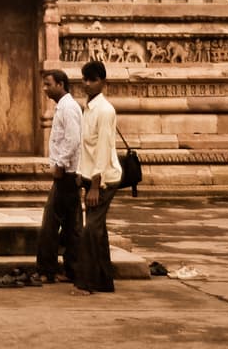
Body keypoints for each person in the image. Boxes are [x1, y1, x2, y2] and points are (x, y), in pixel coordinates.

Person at [73, 58, 123, 295]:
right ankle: (104, 280)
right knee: (97, 229)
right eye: (85, 79)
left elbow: (103, 148)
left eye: (92, 80)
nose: (87, 84)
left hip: (104, 179)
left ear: (102, 82)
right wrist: (80, 173)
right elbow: (86, 147)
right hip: (89, 175)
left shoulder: (105, 110)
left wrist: (94, 185)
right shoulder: (88, 107)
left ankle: (88, 281)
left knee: (90, 230)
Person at [33, 69, 82, 286]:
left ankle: (47, 269)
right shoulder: (64, 107)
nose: (45, 89)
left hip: (67, 174)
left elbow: (73, 140)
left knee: (50, 223)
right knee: (72, 224)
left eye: (48, 84)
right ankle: (72, 269)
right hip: (70, 174)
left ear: (60, 84)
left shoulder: (68, 108)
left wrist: (60, 164)